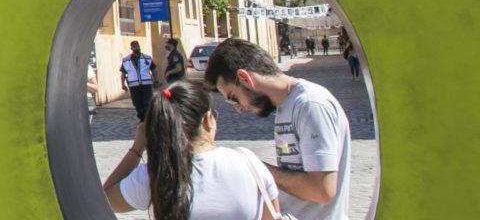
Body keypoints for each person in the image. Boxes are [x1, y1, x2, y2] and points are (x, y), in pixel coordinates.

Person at [205, 38, 350, 220]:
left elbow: (322, 191)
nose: (239, 108)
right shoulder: (287, 105)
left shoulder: (310, 104)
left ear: (245, 78)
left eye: (233, 98)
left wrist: (254, 167)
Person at [103, 81, 284, 220]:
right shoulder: (249, 162)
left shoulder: (154, 175)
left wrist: (137, 148)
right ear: (207, 120)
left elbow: (106, 198)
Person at [120, 40, 158, 121]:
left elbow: (154, 69)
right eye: (134, 46)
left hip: (146, 84)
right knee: (137, 104)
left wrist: (156, 80)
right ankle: (142, 117)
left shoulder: (147, 58)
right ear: (131, 48)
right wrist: (123, 84)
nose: (136, 48)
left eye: (137, 46)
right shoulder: (126, 60)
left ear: (139, 47)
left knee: (147, 103)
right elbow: (123, 73)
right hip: (134, 86)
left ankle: (147, 120)